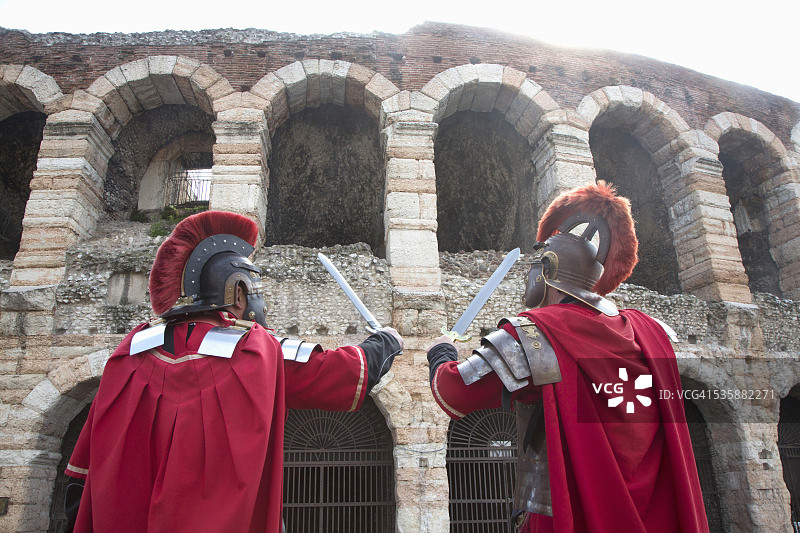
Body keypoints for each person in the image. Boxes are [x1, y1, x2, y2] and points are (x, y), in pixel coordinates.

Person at [63, 210, 402, 533]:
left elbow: (81, 472)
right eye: (256, 291)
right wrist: (385, 343)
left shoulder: (130, 352)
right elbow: (338, 373)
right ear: (238, 294)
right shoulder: (253, 350)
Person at [427, 182, 709, 532]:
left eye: (534, 266)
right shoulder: (651, 332)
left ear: (546, 268)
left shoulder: (536, 333)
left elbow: (453, 391)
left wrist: (441, 350)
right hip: (658, 516)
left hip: (576, 513)